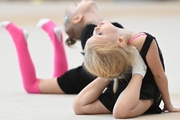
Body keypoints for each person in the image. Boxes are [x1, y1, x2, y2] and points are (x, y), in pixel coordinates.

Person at [0, 0, 123, 94]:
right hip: (85, 78)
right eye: (77, 4)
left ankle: (55, 37)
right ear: (77, 18)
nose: (81, 1)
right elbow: (98, 61)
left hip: (87, 76)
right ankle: (19, 39)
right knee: (31, 86)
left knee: (54, 80)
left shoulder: (114, 26)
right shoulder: (89, 31)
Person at [73, 20, 180, 118]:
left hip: (144, 91)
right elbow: (79, 105)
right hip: (120, 85)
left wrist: (168, 104)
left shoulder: (144, 41)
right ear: (120, 41)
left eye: (95, 34)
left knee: (120, 112)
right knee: (78, 106)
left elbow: (159, 75)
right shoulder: (115, 42)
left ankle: (139, 69)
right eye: (99, 34)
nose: (95, 29)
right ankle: (112, 75)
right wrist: (110, 74)